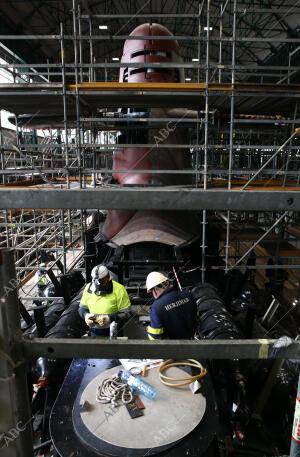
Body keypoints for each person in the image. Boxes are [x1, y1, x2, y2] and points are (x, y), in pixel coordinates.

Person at [79, 265, 131, 337]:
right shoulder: (88, 288)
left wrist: (110, 318)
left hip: (114, 332)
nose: (100, 285)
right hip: (94, 332)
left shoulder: (119, 289)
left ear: (108, 277)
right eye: (97, 282)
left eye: (102, 281)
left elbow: (126, 313)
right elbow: (82, 308)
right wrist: (85, 315)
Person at [146, 271, 197, 340]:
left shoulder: (156, 307)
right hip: (192, 342)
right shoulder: (188, 294)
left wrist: (149, 330)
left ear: (154, 290)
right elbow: (196, 316)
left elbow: (155, 337)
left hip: (172, 347)